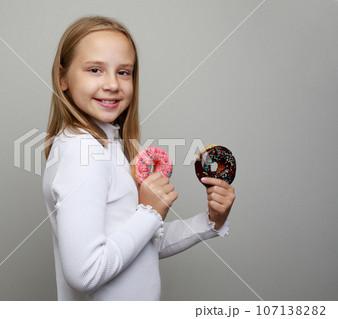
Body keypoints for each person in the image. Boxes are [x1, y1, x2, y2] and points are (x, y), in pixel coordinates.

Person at [42, 15, 236, 301]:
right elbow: (85, 273)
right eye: (95, 69)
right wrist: (150, 213)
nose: (112, 84)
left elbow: (139, 246)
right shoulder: (85, 152)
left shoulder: (104, 145)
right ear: (63, 78)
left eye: (124, 72)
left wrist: (211, 221)